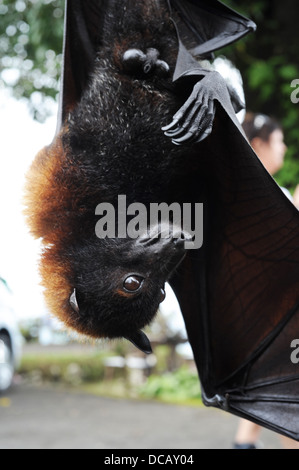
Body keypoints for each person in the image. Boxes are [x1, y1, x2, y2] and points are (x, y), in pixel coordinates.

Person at [233, 112, 299, 449]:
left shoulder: (265, 191)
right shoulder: (255, 194)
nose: (285, 148)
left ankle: (244, 443)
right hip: (273, 318)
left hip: (266, 319)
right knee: (288, 399)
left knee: (274, 395)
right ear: (259, 144)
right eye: (279, 141)